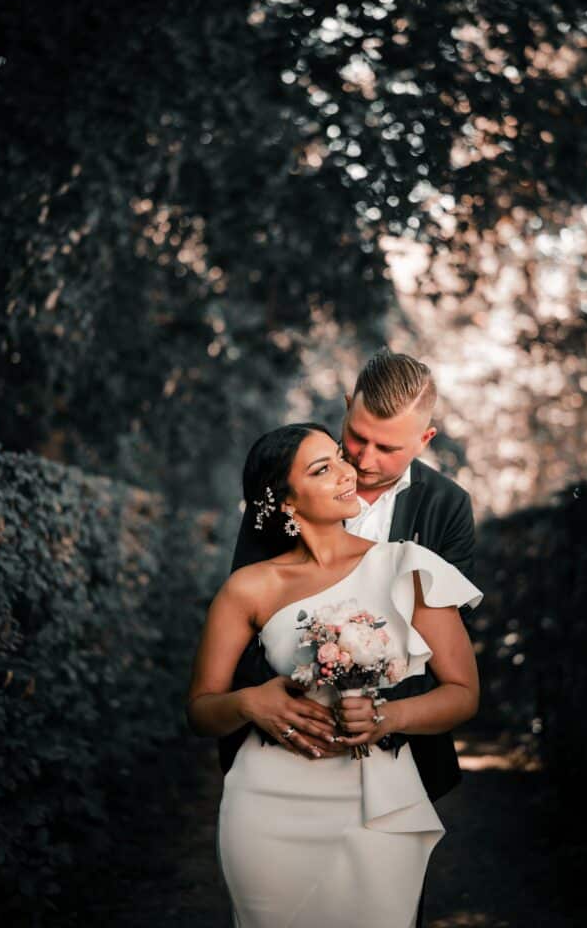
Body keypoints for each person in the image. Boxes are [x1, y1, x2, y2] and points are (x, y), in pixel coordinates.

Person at [187, 422, 481, 928]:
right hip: (267, 803)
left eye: (340, 459)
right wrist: (248, 702)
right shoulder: (248, 588)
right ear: (285, 502)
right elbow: (200, 710)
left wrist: (389, 716)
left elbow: (463, 694)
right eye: (323, 469)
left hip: (378, 799)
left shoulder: (408, 566)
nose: (349, 473)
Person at [222, 350, 476, 803]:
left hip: (398, 759)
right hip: (282, 755)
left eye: (388, 447)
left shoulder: (447, 506)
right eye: (356, 437)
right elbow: (243, 620)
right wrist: (280, 706)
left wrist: (378, 714)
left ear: (425, 438)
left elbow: (444, 648)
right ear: (346, 404)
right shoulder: (290, 477)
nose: (362, 459)